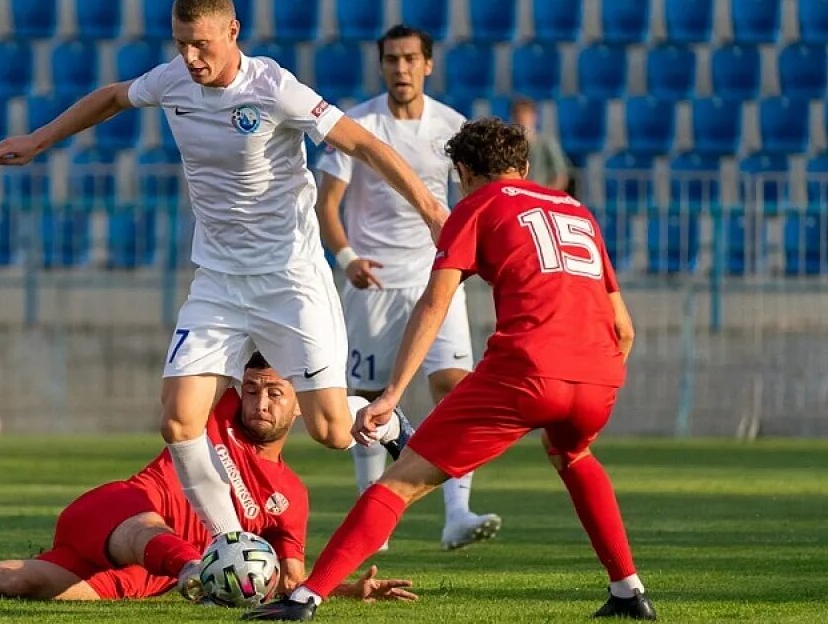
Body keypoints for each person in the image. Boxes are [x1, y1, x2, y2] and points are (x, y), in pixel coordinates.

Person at [0, 0, 447, 542]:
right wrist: (38, 139)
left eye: (201, 44)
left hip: (288, 278)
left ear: (233, 32)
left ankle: (389, 422)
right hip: (219, 281)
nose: (190, 58)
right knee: (179, 420)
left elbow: (364, 144)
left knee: (329, 430)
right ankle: (235, 547)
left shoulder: (276, 88)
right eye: (181, 45)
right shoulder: (173, 79)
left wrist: (430, 209)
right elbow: (111, 96)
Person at [245, 118, 655, 621]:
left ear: (463, 172)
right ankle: (627, 590)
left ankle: (304, 599)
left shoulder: (476, 207)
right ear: (524, 167)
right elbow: (624, 326)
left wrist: (392, 393)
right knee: (572, 454)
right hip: (600, 374)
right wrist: (591, 377)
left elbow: (436, 303)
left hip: (527, 371)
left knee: (400, 482)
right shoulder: (578, 211)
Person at [0, 354, 416, 605]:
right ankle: (192, 569)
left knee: (18, 584)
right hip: (121, 514)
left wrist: (340, 592)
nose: (259, 400)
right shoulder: (219, 412)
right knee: (150, 529)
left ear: (296, 405)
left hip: (146, 577)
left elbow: (287, 577)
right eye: (252, 388)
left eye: (276, 392)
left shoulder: (294, 497)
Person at [315, 24, 500, 551]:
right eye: (392, 59)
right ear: (382, 65)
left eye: (411, 59)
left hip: (435, 275)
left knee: (455, 385)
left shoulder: (451, 126)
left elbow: (471, 199)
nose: (401, 68)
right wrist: (346, 256)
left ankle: (457, 512)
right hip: (372, 282)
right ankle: (373, 520)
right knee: (369, 400)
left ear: (428, 65)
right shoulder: (360, 125)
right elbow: (327, 205)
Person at [510, 97, 571, 193]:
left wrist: (544, 194)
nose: (522, 120)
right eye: (518, 116)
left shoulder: (547, 143)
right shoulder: (509, 147)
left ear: (534, 117)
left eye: (525, 115)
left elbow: (561, 176)